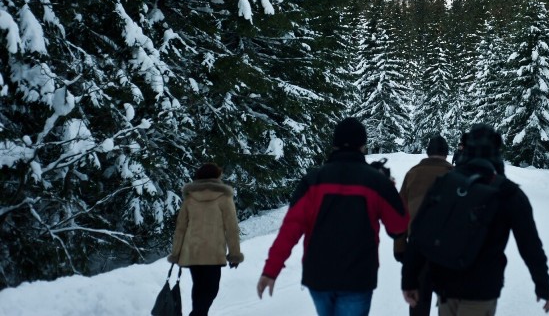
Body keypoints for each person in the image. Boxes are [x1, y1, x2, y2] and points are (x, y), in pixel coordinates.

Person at [257, 117, 409, 316]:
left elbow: (290, 229)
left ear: (334, 144)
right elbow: (398, 226)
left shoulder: (313, 180)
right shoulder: (376, 182)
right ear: (363, 145)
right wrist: (390, 190)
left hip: (319, 276)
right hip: (358, 276)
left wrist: (271, 270)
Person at [402, 125, 549, 316]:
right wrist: (543, 285)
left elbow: (419, 232)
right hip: (483, 290)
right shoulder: (509, 193)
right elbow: (530, 246)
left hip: (445, 285)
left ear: (465, 149)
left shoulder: (445, 183)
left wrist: (409, 279)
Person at [168, 162, 243, 316]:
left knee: (199, 288)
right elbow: (231, 228)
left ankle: (198, 313)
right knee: (210, 290)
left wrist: (176, 253)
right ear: (217, 177)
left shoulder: (190, 198)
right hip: (213, 252)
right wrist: (234, 254)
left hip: (192, 250)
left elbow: (180, 228)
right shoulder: (224, 197)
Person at [394, 135, 454, 316]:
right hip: (448, 250)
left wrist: (400, 247)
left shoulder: (412, 174)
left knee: (418, 303)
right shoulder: (456, 175)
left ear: (428, 153)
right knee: (451, 304)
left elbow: (400, 214)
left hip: (417, 249)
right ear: (446, 153)